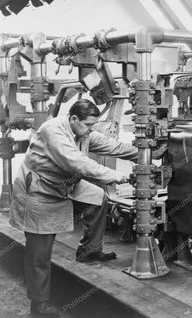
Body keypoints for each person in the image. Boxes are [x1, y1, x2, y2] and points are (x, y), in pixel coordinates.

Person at [9, 99, 138, 317]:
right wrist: (118, 176)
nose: (91, 130)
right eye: (88, 125)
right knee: (39, 253)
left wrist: (144, 153)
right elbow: (78, 163)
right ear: (74, 118)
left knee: (98, 197)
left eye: (93, 126)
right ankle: (38, 304)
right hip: (40, 189)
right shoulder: (53, 131)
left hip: (66, 183)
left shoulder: (83, 131)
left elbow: (112, 146)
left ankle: (89, 250)